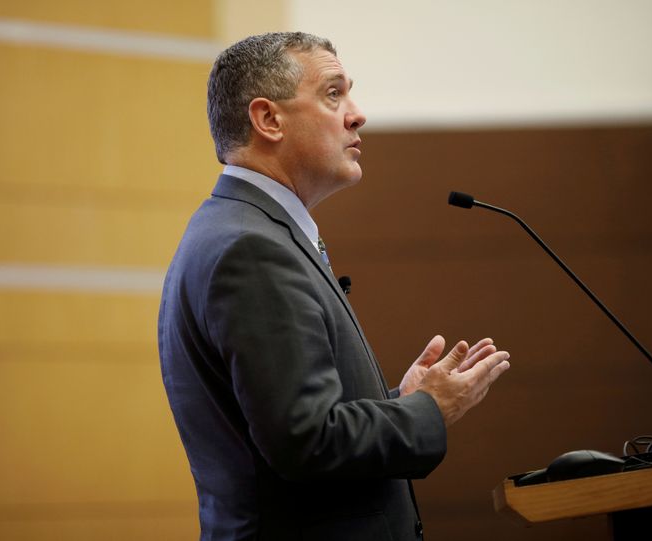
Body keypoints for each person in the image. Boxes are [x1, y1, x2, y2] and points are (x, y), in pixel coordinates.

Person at [158, 32, 510, 541]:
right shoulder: (251, 249)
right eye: (333, 93)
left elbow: (292, 424)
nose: (357, 114)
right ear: (268, 119)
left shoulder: (244, 230)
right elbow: (306, 443)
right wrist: (427, 410)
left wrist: (401, 403)